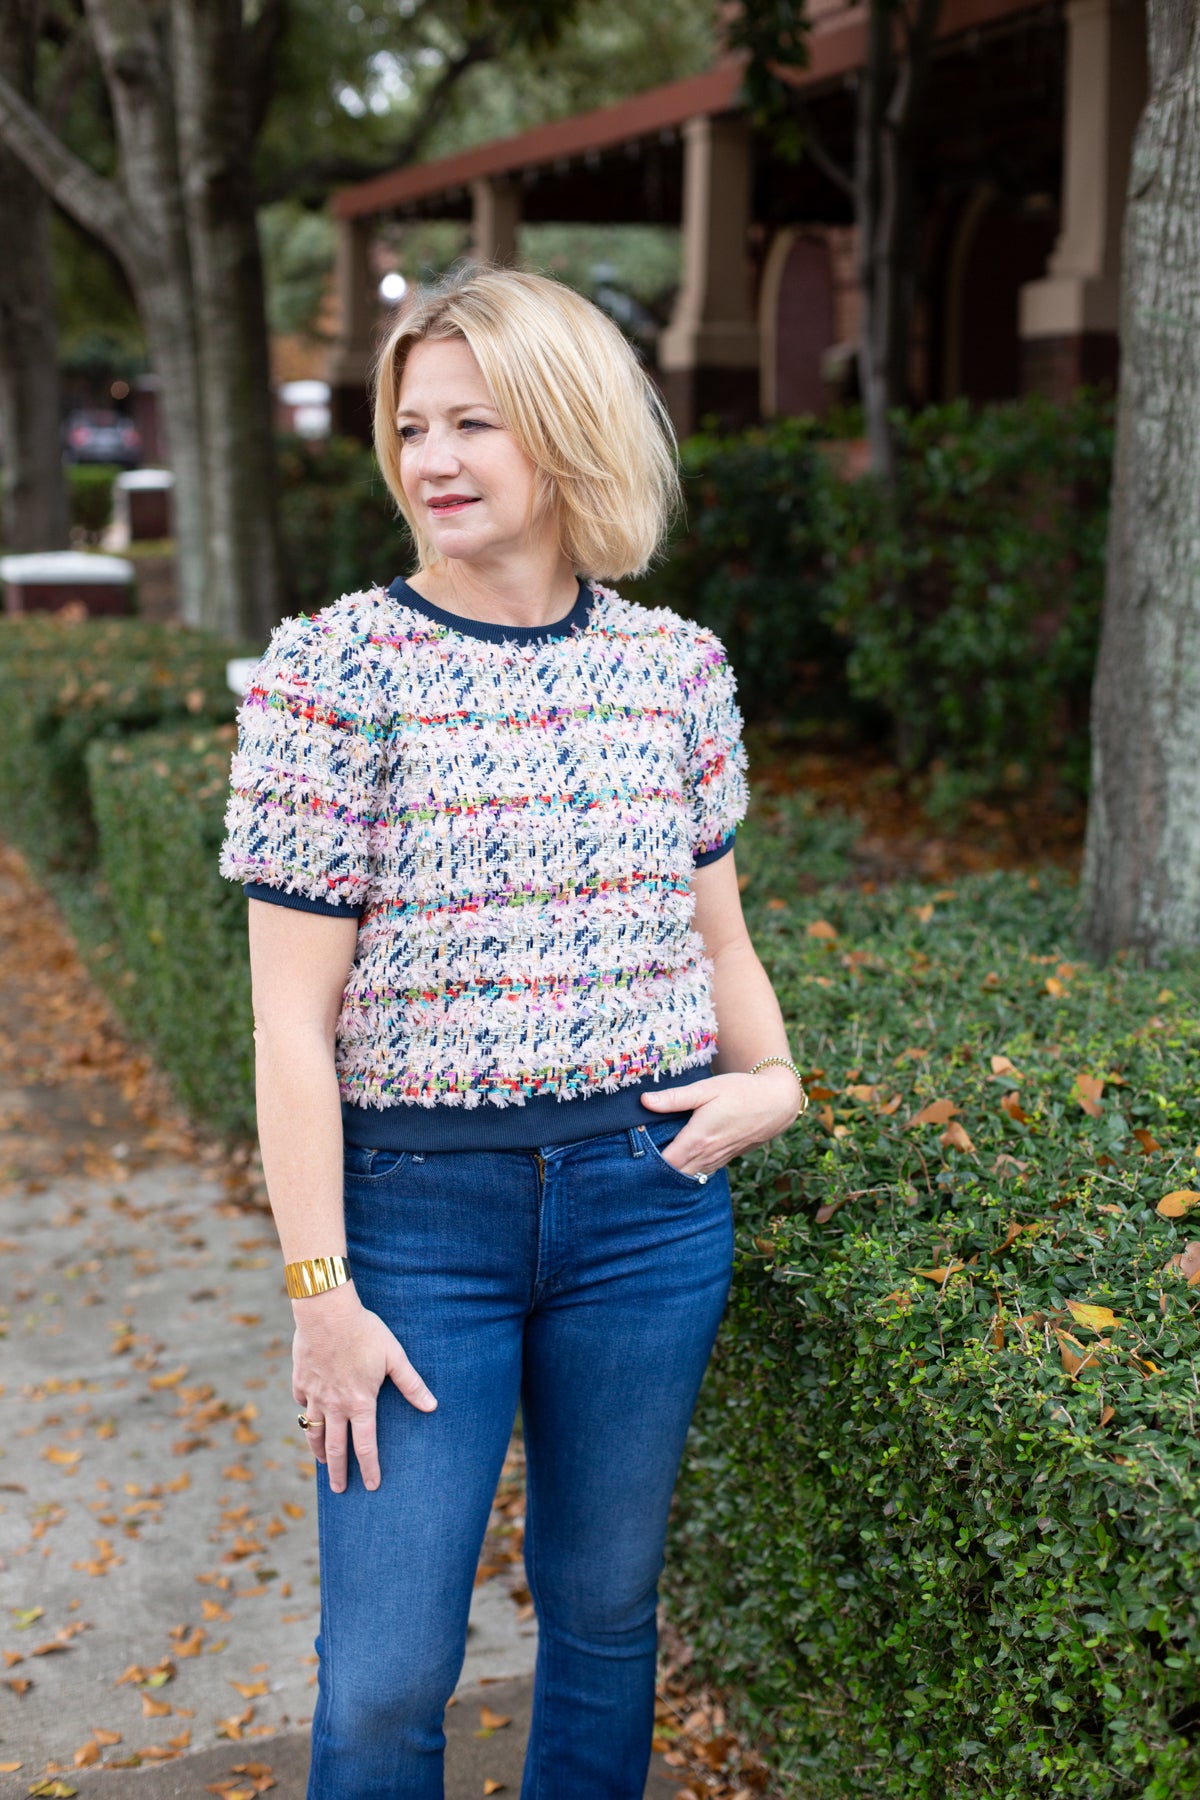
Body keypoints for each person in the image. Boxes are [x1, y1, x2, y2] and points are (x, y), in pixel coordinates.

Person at [218, 263, 808, 1800]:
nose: (433, 461)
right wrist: (318, 1294)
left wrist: (776, 1084)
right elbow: (290, 1027)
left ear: (566, 432)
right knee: (389, 1679)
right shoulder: (332, 672)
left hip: (643, 1209)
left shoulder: (673, 670)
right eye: (412, 426)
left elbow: (719, 937)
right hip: (414, 1231)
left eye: (474, 421)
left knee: (607, 1620)